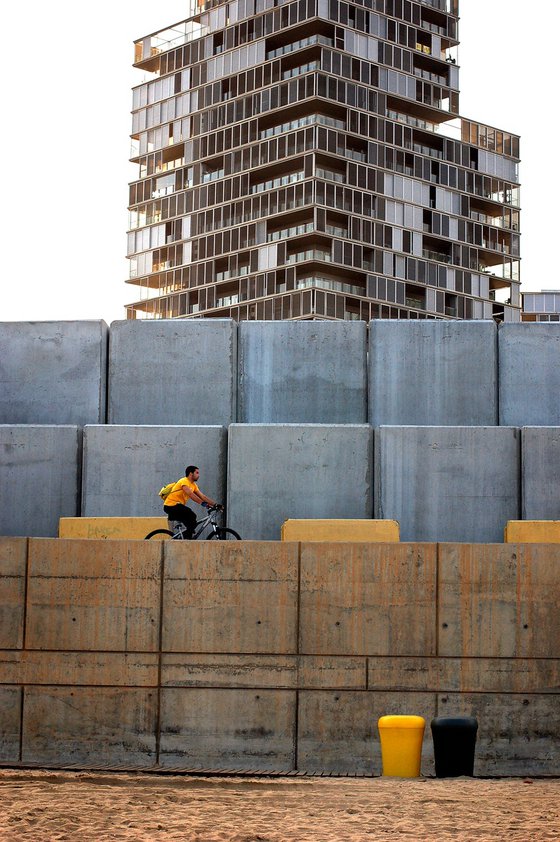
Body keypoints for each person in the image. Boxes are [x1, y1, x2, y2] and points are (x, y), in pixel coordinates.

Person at [163, 465, 222, 538]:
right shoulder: (184, 481)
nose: (198, 475)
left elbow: (202, 496)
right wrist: (203, 504)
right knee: (191, 516)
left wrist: (216, 505)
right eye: (197, 473)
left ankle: (186, 537)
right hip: (170, 506)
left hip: (177, 507)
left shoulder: (193, 485)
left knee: (191, 523)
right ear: (191, 473)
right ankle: (186, 539)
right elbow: (190, 494)